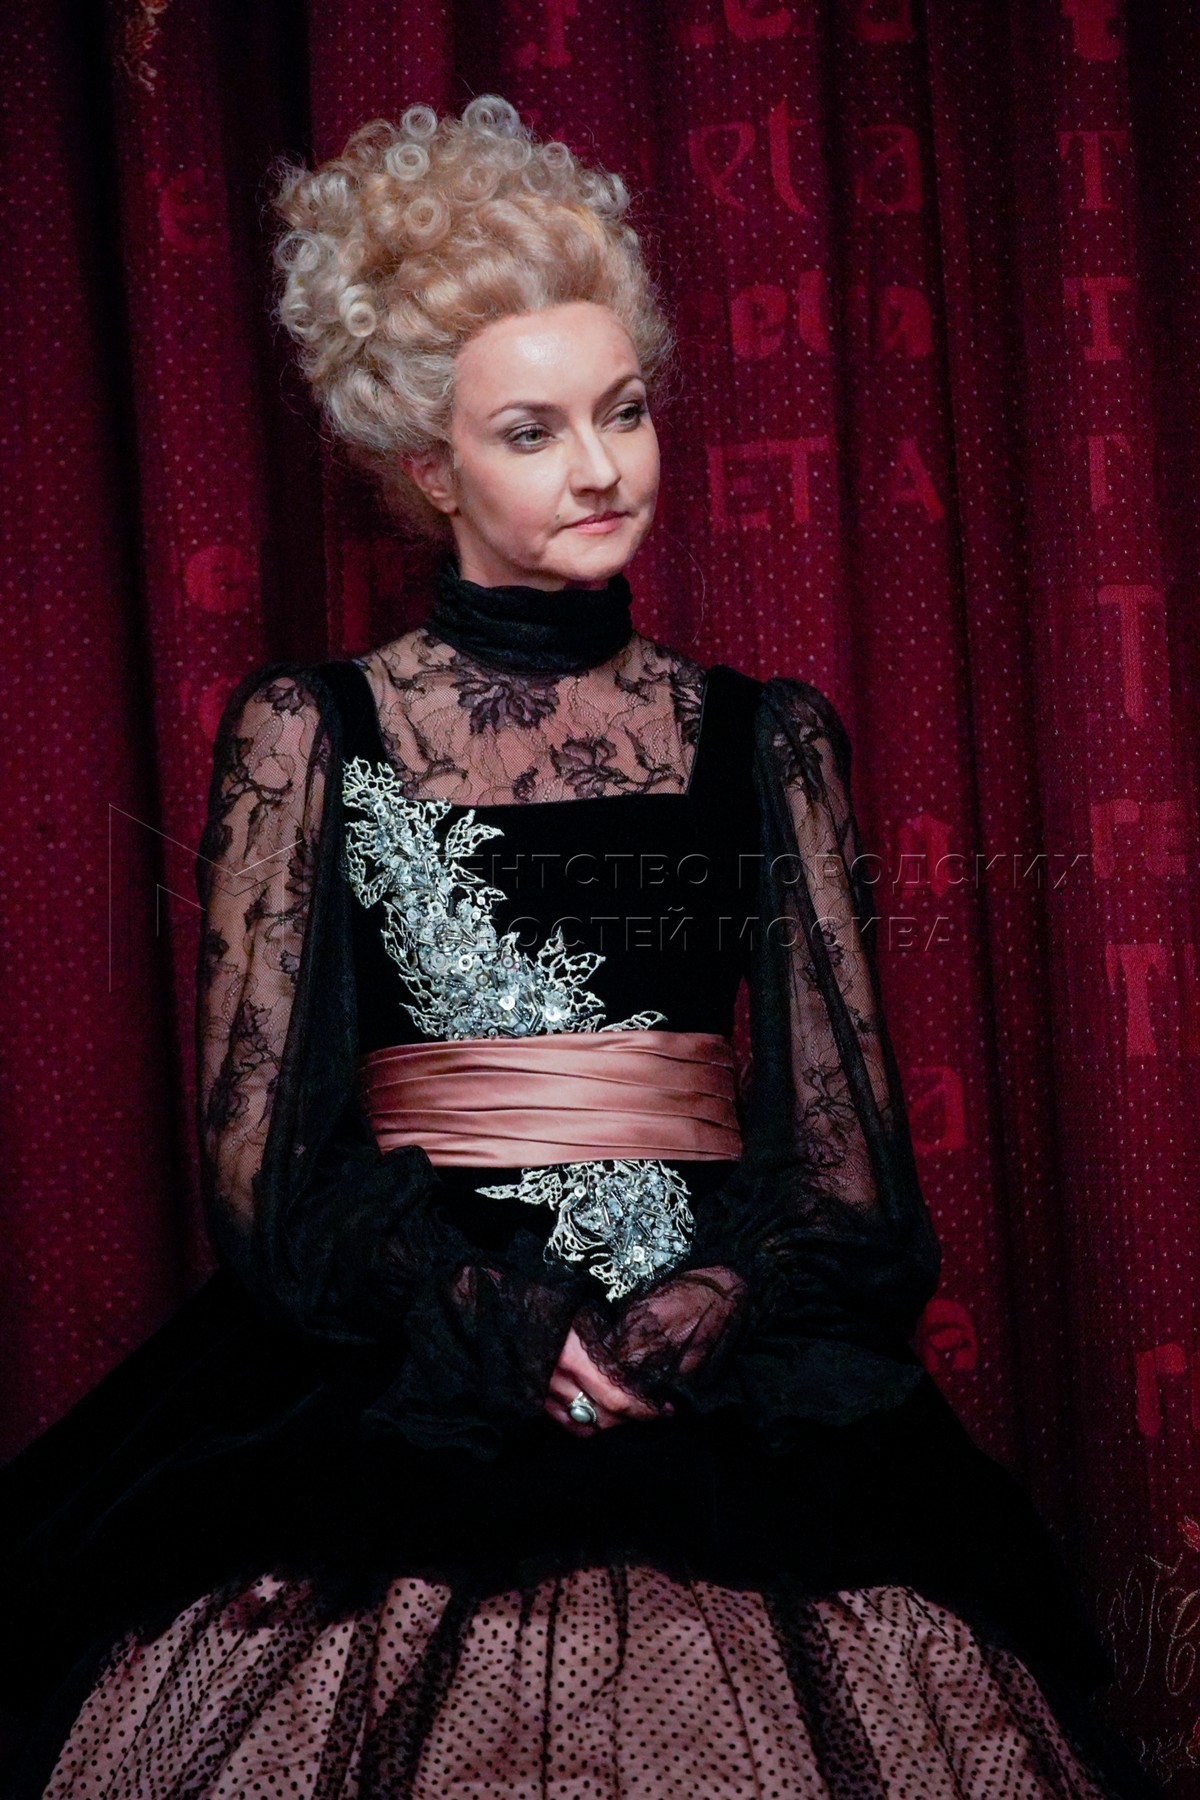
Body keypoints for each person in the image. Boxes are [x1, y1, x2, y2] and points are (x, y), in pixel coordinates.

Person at [0, 94, 1166, 1800]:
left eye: (622, 411)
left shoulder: (765, 734)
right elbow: (264, 1173)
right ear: (428, 465)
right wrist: (489, 1315)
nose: (604, 468)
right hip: (409, 1342)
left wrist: (713, 1298)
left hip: (716, 1342)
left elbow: (853, 1169)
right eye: (531, 431)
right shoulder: (309, 732)